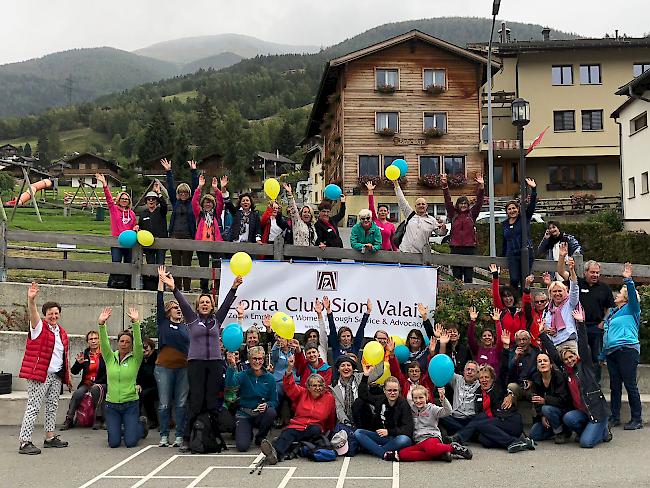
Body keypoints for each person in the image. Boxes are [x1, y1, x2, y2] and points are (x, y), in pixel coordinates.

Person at [159, 271, 242, 451]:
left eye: (208, 302)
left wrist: (234, 287)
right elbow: (181, 301)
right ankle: (189, 438)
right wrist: (173, 287)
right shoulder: (191, 319)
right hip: (196, 363)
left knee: (212, 402)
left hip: (214, 363)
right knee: (196, 401)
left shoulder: (217, 320)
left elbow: (227, 304)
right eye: (202, 302)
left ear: (212, 306)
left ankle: (211, 437)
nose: (205, 304)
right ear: (197, 306)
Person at [539, 309, 612, 448]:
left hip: (597, 411)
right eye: (566, 359)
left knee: (585, 443)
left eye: (571, 357)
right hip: (583, 412)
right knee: (568, 418)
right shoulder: (565, 371)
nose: (569, 360)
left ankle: (603, 429)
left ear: (576, 356)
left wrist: (580, 323)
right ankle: (588, 431)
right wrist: (542, 334)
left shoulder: (585, 365)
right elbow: (554, 354)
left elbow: (583, 345)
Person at [18, 283, 72, 455]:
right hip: (40, 374)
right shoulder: (39, 327)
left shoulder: (61, 331)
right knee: (33, 406)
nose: (53, 316)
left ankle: (49, 437)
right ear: (45, 315)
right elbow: (33, 315)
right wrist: (31, 300)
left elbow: (64, 355)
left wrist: (66, 376)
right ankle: (24, 442)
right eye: (50, 314)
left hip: (56, 375)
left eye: (56, 313)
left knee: (52, 406)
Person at [260, 356, 335, 465]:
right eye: (314, 385)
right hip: (298, 425)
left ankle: (285, 444)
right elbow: (290, 386)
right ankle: (275, 454)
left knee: (314, 431)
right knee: (288, 432)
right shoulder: (302, 393)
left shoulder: (329, 398)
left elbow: (331, 416)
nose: (317, 388)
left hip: (315, 427)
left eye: (320, 385)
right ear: (308, 387)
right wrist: (290, 369)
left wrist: (330, 432)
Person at [449, 364, 535, 453]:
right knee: (484, 440)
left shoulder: (499, 387)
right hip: (494, 425)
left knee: (480, 422)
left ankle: (512, 442)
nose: (484, 380)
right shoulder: (478, 392)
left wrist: (510, 394)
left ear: (492, 379)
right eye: (481, 378)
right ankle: (521, 442)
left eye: (487, 377)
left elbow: (504, 371)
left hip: (509, 421)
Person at [98, 306, 149, 448]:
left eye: (128, 342)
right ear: (118, 343)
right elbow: (104, 343)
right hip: (112, 405)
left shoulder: (136, 358)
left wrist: (136, 323)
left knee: (130, 442)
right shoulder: (109, 358)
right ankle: (124, 429)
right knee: (114, 443)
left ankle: (141, 426)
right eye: (122, 341)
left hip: (130, 404)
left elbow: (139, 344)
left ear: (131, 345)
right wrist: (101, 324)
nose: (124, 344)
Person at [602, 262, 642, 430]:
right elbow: (606, 335)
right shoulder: (612, 314)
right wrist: (603, 354)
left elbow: (632, 296)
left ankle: (637, 419)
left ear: (625, 297)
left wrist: (628, 281)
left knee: (630, 383)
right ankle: (615, 416)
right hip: (612, 352)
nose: (616, 295)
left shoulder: (632, 309)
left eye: (619, 293)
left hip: (627, 350)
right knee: (615, 385)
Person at [384, 386, 472, 462]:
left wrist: (443, 399)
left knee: (431, 448)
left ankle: (452, 448)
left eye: (421, 397)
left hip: (431, 438)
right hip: (419, 441)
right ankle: (439, 455)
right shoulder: (411, 409)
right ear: (412, 399)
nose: (418, 400)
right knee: (403, 454)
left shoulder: (432, 408)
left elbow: (448, 411)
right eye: (415, 398)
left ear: (426, 397)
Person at [154, 266, 189, 448]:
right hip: (164, 368)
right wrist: (161, 281)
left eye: (179, 307)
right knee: (165, 403)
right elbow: (159, 302)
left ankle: (179, 436)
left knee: (181, 403)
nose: (178, 310)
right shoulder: (163, 323)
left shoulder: (186, 327)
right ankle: (163, 435)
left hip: (183, 368)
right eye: (175, 307)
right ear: (168, 312)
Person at [564, 259, 614, 384]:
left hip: (596, 327)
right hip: (578, 327)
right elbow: (561, 272)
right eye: (592, 272)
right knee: (578, 355)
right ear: (585, 272)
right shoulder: (578, 283)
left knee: (596, 358)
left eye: (597, 272)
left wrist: (603, 321)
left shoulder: (604, 288)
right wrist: (563, 257)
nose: (595, 275)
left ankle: (595, 385)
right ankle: (579, 383)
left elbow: (610, 307)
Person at [353, 365, 413, 459]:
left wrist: (389, 432)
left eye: (395, 390)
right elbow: (362, 395)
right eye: (389, 390)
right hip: (380, 437)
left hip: (395, 437)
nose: (392, 393)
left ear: (399, 391)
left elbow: (408, 429)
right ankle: (384, 453)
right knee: (358, 433)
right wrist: (365, 375)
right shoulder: (380, 400)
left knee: (405, 440)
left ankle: (375, 450)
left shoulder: (403, 404)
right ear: (384, 391)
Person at [225, 346, 278, 451]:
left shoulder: (270, 378)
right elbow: (229, 384)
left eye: (260, 359)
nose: (257, 361)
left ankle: (260, 437)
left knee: (271, 412)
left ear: (263, 360)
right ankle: (246, 433)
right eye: (254, 358)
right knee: (242, 447)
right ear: (249, 359)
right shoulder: (243, 375)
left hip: (260, 414)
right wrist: (231, 366)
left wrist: (267, 405)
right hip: (244, 413)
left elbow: (274, 401)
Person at [330, 355, 379, 456]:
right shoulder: (334, 387)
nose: (346, 368)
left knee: (359, 402)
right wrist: (346, 422)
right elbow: (339, 409)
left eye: (349, 365)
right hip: (348, 421)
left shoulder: (361, 377)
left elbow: (378, 373)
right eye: (342, 365)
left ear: (353, 368)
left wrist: (386, 355)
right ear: (338, 369)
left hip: (364, 417)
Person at [441, 172, 485, 283]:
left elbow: (479, 202)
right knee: (457, 276)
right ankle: (457, 297)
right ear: (458, 205)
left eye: (465, 203)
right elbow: (447, 201)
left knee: (468, 276)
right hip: (456, 248)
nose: (463, 205)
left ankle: (468, 297)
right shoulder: (453, 214)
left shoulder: (472, 214)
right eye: (461, 203)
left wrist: (481, 187)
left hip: (469, 248)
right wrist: (445, 186)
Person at [162, 158, 198, 293]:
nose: (183, 194)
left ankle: (187, 288)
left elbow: (195, 188)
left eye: (185, 193)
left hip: (188, 236)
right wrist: (168, 172)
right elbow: (170, 188)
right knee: (176, 264)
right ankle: (176, 287)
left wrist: (193, 171)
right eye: (181, 192)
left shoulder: (192, 204)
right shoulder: (175, 202)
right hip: (175, 236)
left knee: (187, 264)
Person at [96, 173, 137, 288]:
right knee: (116, 263)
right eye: (122, 199)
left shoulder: (132, 214)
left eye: (126, 199)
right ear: (119, 200)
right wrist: (104, 184)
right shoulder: (114, 209)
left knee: (129, 264)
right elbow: (108, 198)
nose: (124, 201)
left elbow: (134, 225)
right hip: (117, 242)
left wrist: (136, 228)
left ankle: (128, 284)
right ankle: (112, 284)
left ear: (129, 201)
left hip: (129, 243)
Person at [61, 329, 107, 431]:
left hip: (101, 383)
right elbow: (74, 371)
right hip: (87, 383)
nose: (94, 341)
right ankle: (69, 418)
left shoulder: (105, 354)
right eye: (91, 339)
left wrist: (97, 382)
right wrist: (79, 363)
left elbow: (109, 372)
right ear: (87, 342)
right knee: (77, 393)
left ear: (99, 340)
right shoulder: (85, 354)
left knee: (96, 389)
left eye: (96, 338)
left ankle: (98, 418)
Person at [501, 177, 537, 290]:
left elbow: (532, 205)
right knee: (514, 280)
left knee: (524, 280)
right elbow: (504, 241)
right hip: (512, 254)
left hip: (526, 253)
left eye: (514, 208)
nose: (512, 211)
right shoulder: (504, 224)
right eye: (509, 209)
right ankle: (514, 303)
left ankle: (525, 304)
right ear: (507, 212)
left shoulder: (524, 218)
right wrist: (501, 256)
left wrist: (534, 190)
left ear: (518, 209)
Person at [192, 173, 226, 293]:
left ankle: (216, 288)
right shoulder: (199, 215)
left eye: (210, 202)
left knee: (216, 267)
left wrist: (216, 189)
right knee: (204, 268)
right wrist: (199, 188)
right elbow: (194, 202)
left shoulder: (216, 214)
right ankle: (204, 289)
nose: (208, 204)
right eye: (205, 202)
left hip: (215, 244)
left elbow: (221, 202)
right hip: (202, 244)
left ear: (213, 204)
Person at [528, 353, 573, 443]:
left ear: (551, 364)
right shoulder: (535, 377)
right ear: (537, 366)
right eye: (539, 361)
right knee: (534, 434)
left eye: (545, 361)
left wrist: (545, 400)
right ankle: (559, 430)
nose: (542, 363)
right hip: (547, 413)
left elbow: (563, 400)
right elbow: (536, 400)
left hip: (562, 411)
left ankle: (559, 432)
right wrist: (542, 415)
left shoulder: (559, 376)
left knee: (546, 408)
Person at [392, 179, 446, 253]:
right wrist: (396, 184)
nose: (421, 206)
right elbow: (401, 200)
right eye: (419, 204)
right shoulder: (409, 214)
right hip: (404, 252)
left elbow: (441, 233)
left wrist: (443, 228)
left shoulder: (432, 220)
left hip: (420, 255)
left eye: (423, 204)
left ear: (426, 206)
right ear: (415, 206)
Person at [489, 264, 538, 344]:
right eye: (505, 297)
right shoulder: (501, 311)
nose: (508, 299)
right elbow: (495, 295)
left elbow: (526, 302)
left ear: (514, 297)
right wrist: (495, 277)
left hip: (521, 345)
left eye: (510, 296)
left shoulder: (520, 313)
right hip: (505, 346)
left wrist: (527, 286)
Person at [543, 254, 580, 350]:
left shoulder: (570, 303)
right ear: (550, 294)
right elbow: (544, 323)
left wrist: (572, 271)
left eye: (560, 291)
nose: (557, 294)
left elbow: (574, 289)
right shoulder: (548, 308)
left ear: (566, 292)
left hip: (568, 342)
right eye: (554, 291)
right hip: (553, 344)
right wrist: (546, 329)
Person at [137, 180, 168, 289]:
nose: (151, 201)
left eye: (153, 199)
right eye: (149, 199)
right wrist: (137, 228)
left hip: (161, 243)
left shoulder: (161, 211)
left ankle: (161, 285)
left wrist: (159, 193)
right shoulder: (143, 214)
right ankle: (151, 285)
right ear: (146, 201)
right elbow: (139, 227)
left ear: (156, 201)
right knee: (150, 264)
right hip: (148, 245)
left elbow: (165, 205)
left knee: (160, 265)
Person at [321, 296, 370, 363]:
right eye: (343, 336)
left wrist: (368, 312)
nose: (346, 338)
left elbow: (361, 329)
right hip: (337, 373)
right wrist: (328, 310)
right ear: (339, 338)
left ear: (351, 337)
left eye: (348, 336)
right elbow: (332, 328)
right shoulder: (336, 346)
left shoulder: (355, 346)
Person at [387, 338, 436, 403]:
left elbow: (431, 369)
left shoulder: (426, 382)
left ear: (420, 372)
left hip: (426, 412)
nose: (414, 373)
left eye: (416, 371)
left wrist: (432, 353)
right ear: (408, 373)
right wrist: (392, 354)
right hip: (408, 412)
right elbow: (396, 371)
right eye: (411, 371)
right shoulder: (404, 383)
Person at [438, 361, 480, 435]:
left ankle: (461, 433)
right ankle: (466, 432)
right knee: (440, 415)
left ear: (477, 374)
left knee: (478, 421)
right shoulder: (457, 379)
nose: (469, 372)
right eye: (468, 369)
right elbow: (445, 369)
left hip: (470, 419)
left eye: (472, 370)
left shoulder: (480, 385)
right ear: (464, 371)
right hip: (455, 418)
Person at [502, 329, 539, 405]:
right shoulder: (512, 352)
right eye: (519, 340)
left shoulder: (536, 353)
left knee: (537, 398)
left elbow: (539, 371)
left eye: (524, 339)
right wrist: (515, 358)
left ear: (529, 340)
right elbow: (507, 371)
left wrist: (532, 381)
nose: (522, 342)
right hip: (517, 385)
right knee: (511, 389)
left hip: (532, 386)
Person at [467, 306, 503, 375]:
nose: (487, 337)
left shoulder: (497, 351)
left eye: (489, 335)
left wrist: (497, 322)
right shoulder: (477, 350)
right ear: (481, 339)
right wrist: (472, 321)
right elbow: (470, 338)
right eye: (484, 336)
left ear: (493, 339)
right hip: (479, 380)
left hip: (494, 382)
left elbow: (500, 340)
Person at [365, 181, 396, 251]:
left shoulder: (391, 226)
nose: (383, 212)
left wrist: (396, 251)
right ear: (378, 212)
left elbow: (393, 241)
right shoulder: (374, 221)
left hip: (387, 251)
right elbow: (371, 205)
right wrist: (370, 191)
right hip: (374, 251)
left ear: (388, 213)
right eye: (381, 211)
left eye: (385, 211)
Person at [137, 338, 159, 429]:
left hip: (157, 386)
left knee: (146, 395)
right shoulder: (140, 359)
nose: (144, 350)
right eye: (142, 348)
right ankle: (134, 419)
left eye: (146, 347)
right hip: (143, 386)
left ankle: (153, 420)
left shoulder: (157, 357)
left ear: (152, 347)